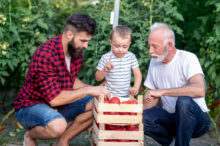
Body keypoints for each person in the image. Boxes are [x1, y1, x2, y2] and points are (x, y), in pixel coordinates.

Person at [14, 13, 110, 146]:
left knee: (98, 103)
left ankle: (61, 141)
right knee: (58, 125)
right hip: (30, 106)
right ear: (70, 34)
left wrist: (96, 90)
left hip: (57, 104)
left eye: (88, 41)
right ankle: (30, 136)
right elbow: (55, 99)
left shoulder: (75, 51)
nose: (86, 46)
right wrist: (89, 89)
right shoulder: (46, 54)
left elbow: (71, 80)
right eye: (83, 40)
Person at [143, 22, 210, 146]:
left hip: (197, 121)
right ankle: (166, 140)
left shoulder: (188, 58)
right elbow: (153, 99)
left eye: (154, 46)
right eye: (149, 46)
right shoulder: (154, 62)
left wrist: (162, 91)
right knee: (141, 117)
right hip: (171, 119)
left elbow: (199, 90)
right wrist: (132, 112)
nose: (150, 51)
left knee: (184, 102)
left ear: (169, 45)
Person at [95, 25, 142, 100]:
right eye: (116, 46)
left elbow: (137, 74)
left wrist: (135, 87)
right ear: (111, 43)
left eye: (124, 47)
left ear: (129, 44)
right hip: (109, 95)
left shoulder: (131, 57)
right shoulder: (106, 58)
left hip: (126, 95)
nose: (120, 50)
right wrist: (105, 70)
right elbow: (97, 78)